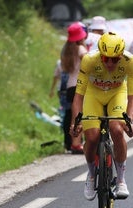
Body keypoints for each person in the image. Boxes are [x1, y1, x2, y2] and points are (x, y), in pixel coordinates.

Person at [70, 32, 133, 201]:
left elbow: (132, 98)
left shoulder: (131, 62)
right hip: (94, 94)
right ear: (100, 54)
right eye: (105, 58)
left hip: (117, 94)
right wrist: (76, 122)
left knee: (116, 129)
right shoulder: (89, 60)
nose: (109, 63)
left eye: (115, 59)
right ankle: (92, 175)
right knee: (92, 137)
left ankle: (121, 180)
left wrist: (129, 120)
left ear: (121, 56)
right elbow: (78, 96)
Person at [60, 22, 88, 154]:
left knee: (74, 116)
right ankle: (78, 143)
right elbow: (88, 62)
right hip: (80, 85)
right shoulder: (80, 49)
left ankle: (74, 143)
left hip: (70, 86)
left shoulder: (66, 50)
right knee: (82, 115)